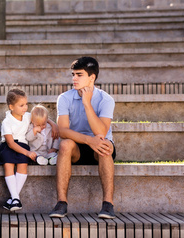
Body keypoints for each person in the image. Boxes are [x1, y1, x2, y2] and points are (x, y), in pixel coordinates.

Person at [49, 56, 117, 219]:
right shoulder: (64, 98)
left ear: (92, 77)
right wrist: (88, 140)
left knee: (105, 145)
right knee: (65, 144)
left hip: (99, 148)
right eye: (73, 74)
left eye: (79, 75)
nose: (74, 79)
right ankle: (61, 203)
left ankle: (108, 204)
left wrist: (87, 103)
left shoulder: (106, 99)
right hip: (77, 147)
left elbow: (101, 131)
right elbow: (63, 131)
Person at [0, 89, 58, 211]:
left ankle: (14, 200)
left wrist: (52, 123)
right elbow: (10, 142)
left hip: (23, 145)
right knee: (8, 164)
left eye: (26, 104)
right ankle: (15, 197)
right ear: (11, 107)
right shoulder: (6, 122)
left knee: (22, 164)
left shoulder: (27, 116)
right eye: (21, 105)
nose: (25, 108)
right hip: (9, 146)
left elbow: (40, 117)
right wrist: (28, 153)